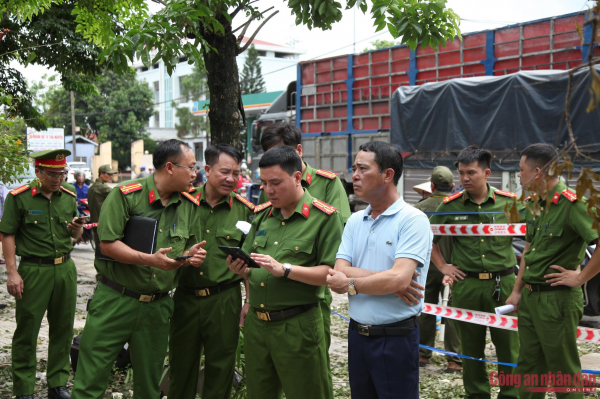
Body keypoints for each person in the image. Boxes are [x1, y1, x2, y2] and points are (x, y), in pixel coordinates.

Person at [71, 140, 208, 399]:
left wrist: (191, 257)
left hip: (156, 308)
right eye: (190, 168)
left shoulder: (189, 205)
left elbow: (191, 246)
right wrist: (150, 260)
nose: (195, 174)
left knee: (149, 384)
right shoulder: (125, 195)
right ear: (169, 167)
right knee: (91, 379)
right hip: (115, 300)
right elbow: (108, 245)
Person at [228, 146, 344, 399]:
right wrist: (241, 271)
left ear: (297, 177)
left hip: (297, 325)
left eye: (276, 183)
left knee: (307, 392)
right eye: (264, 183)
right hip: (258, 325)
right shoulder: (262, 216)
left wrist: (286, 270)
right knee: (259, 393)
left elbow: (330, 273)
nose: (268, 190)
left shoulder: (323, 217)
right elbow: (251, 266)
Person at [326, 141, 431, 399]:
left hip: (396, 338)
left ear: (388, 175)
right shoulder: (355, 220)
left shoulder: (412, 220)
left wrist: (352, 283)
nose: (355, 175)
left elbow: (398, 277)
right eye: (354, 169)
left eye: (363, 168)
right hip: (357, 336)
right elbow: (340, 269)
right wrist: (388, 281)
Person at [505, 143, 600, 398]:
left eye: (521, 170)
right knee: (528, 368)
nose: (518, 175)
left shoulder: (573, 203)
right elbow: (529, 249)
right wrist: (517, 290)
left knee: (563, 373)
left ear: (537, 172)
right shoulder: (536, 204)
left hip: (557, 299)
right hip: (531, 298)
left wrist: (580, 277)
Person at [429, 146, 524, 399]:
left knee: (508, 349)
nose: (465, 179)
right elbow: (428, 240)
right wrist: (443, 266)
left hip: (502, 284)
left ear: (487, 173)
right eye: (461, 173)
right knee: (471, 350)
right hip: (467, 286)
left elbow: (534, 237)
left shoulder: (510, 203)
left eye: (471, 172)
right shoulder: (450, 206)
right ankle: (477, 394)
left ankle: (510, 395)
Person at [257, 122, 351, 367]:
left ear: (298, 151)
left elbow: (339, 237)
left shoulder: (328, 184)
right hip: (273, 294)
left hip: (312, 293)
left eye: (282, 152)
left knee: (312, 364)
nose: (270, 189)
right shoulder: (268, 187)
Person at [168, 144, 255, 399]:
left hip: (224, 299)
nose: (231, 179)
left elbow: (250, 264)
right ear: (207, 169)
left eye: (236, 173)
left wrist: (249, 301)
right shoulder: (182, 204)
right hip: (185, 297)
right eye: (225, 171)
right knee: (181, 366)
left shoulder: (246, 211)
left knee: (221, 368)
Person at [0, 149, 85, 399]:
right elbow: (7, 234)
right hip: (33, 270)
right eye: (52, 173)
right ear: (38, 172)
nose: (58, 178)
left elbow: (74, 236)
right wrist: (12, 273)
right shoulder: (20, 198)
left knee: (63, 328)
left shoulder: (69, 197)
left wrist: (77, 229)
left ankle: (57, 384)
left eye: (62, 173)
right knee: (27, 330)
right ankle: (24, 389)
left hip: (65, 269)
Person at [413, 166, 462, 373]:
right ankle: (455, 360)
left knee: (425, 310)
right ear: (452, 187)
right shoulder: (459, 207)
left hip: (426, 267)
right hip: (456, 268)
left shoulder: (419, 208)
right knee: (453, 312)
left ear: (431, 186)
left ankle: (423, 355)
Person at [87, 164, 117, 247]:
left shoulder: (92, 187)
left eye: (112, 174)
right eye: (109, 174)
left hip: (95, 221)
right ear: (101, 175)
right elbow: (117, 193)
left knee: (98, 246)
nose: (111, 176)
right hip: (103, 222)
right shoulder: (102, 187)